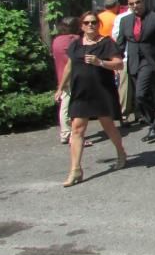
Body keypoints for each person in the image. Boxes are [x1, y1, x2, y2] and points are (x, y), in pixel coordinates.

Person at [54, 11, 129, 187]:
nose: (91, 26)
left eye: (94, 22)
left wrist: (100, 62)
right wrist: (60, 87)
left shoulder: (106, 43)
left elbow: (118, 64)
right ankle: (75, 170)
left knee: (108, 126)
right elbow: (69, 66)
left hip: (101, 91)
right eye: (87, 23)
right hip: (81, 92)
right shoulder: (76, 45)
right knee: (77, 130)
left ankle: (121, 153)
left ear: (98, 24)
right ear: (81, 26)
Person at [117, 0, 155, 143]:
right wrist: (114, 60)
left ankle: (154, 126)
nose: (135, 6)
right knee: (143, 96)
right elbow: (120, 44)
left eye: (138, 2)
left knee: (141, 94)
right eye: (131, 4)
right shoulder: (125, 21)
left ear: (143, 1)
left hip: (150, 61)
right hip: (133, 62)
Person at [51, 16, 80, 145]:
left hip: (61, 75)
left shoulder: (56, 40)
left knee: (65, 104)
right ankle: (68, 134)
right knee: (69, 105)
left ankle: (66, 132)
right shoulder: (74, 39)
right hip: (73, 76)